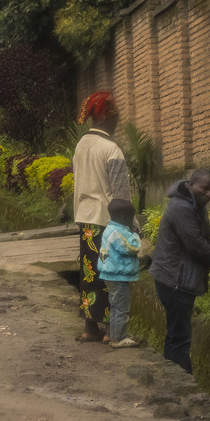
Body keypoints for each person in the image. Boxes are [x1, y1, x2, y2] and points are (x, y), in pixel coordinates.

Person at [148, 168, 210, 372]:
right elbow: (196, 245)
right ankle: (180, 384)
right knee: (179, 336)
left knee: (177, 333)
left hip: (178, 279)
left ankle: (175, 380)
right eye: (204, 189)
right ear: (191, 185)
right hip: (174, 280)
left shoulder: (195, 205)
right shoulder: (181, 207)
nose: (208, 194)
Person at [72, 90, 130, 344]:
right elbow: (121, 195)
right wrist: (132, 225)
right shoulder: (111, 149)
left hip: (85, 219)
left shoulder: (81, 145)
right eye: (116, 117)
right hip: (109, 222)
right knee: (111, 275)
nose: (118, 122)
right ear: (108, 117)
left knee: (89, 273)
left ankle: (89, 328)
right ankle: (110, 331)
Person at [99, 198, 143, 349]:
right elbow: (132, 247)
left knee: (115, 307)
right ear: (125, 218)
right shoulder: (117, 232)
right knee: (122, 308)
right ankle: (119, 338)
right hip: (118, 276)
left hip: (111, 275)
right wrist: (136, 235)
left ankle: (116, 335)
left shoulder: (109, 229)